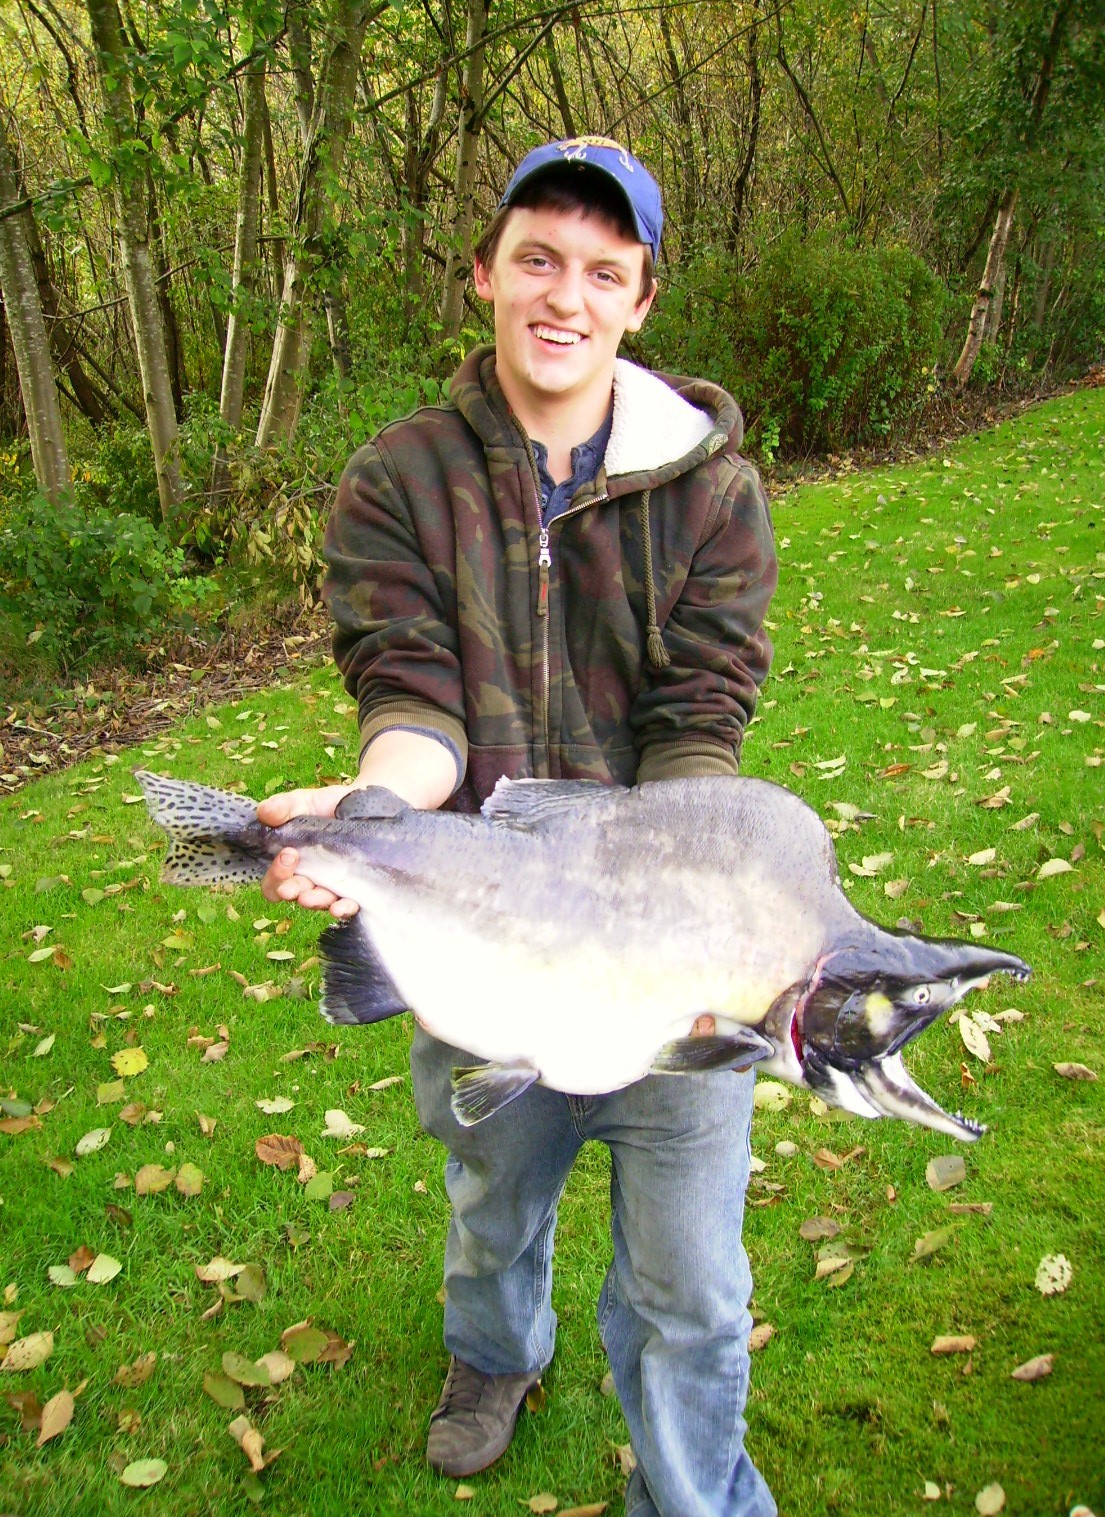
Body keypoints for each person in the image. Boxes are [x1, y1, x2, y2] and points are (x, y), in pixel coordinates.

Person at [259, 137, 779, 1517]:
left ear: (641, 300)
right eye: (538, 258)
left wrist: (664, 930)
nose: (567, 295)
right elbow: (411, 694)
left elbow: (698, 723)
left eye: (603, 272)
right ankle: (494, 1354)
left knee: (693, 1285)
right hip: (476, 931)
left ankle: (696, 1497)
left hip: (664, 954)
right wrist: (372, 810)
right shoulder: (397, 479)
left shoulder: (712, 491)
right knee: (494, 1195)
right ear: (483, 275)